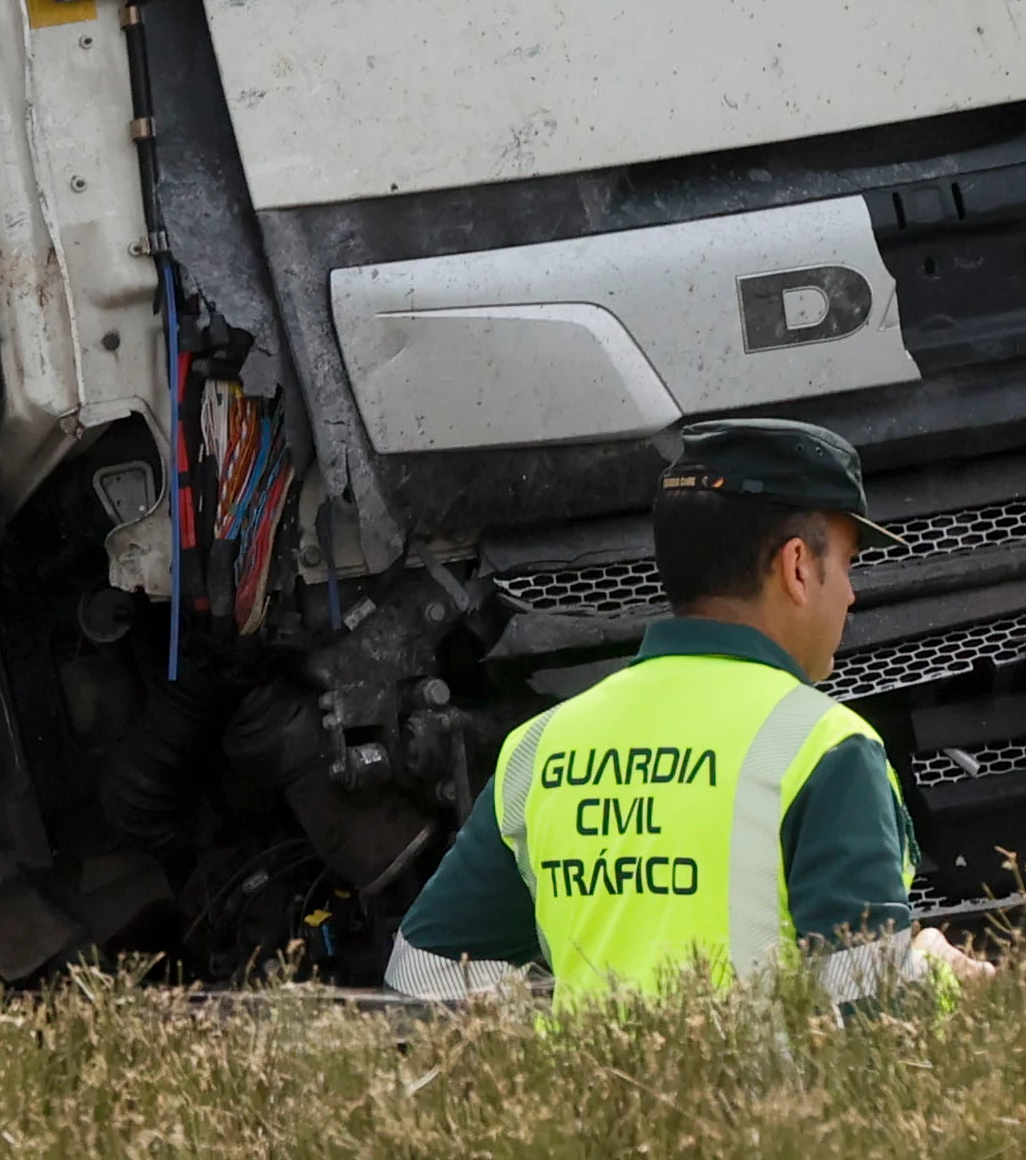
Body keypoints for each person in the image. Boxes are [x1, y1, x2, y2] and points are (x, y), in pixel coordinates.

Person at [385, 415, 973, 1004]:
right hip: (775, 1099)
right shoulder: (824, 748)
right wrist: (936, 977)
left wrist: (571, 1054)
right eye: (846, 565)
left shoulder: (542, 746)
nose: (850, 593)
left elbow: (423, 977)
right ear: (797, 567)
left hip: (598, 1097)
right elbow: (870, 1026)